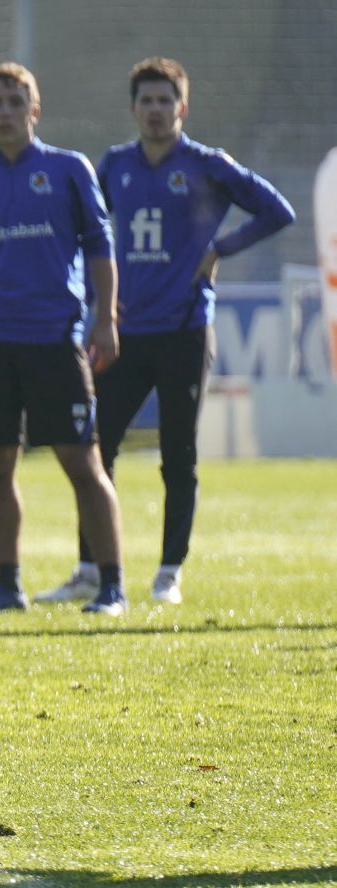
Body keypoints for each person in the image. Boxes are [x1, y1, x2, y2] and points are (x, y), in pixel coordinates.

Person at [35, 58, 295, 607]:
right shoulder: (115, 165)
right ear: (133, 109)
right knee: (95, 452)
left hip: (183, 330)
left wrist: (220, 248)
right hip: (123, 333)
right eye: (146, 102)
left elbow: (277, 210)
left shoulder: (206, 165)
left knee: (178, 456)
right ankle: (90, 569)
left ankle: (169, 572)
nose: (155, 111)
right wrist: (96, 302)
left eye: (164, 101)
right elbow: (88, 234)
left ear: (183, 107)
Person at [0, 62, 128, 615]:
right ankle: (8, 585)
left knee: (82, 462)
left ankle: (111, 585)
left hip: (54, 340)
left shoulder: (69, 170)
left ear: (34, 111)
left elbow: (99, 245)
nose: (4, 112)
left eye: (15, 102)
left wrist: (106, 318)